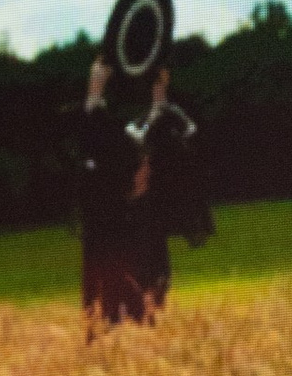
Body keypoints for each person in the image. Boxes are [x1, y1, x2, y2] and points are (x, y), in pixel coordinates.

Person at [78, 53, 206, 328]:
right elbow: (103, 140)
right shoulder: (112, 210)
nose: (148, 166)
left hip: (138, 249)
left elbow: (171, 139)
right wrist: (96, 90)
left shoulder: (147, 212)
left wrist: (97, 90)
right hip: (121, 260)